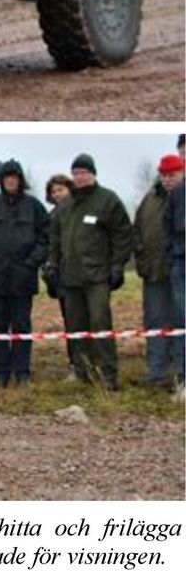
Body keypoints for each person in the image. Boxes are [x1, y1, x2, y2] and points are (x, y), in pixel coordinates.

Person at [47, 153, 132, 391]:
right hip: (70, 277)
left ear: (93, 174)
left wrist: (117, 265)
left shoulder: (107, 200)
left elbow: (123, 234)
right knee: (76, 327)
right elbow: (55, 239)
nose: (80, 177)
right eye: (76, 173)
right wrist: (52, 264)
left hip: (97, 277)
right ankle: (82, 371)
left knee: (99, 324)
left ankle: (107, 374)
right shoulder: (66, 206)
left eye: (84, 172)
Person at [0, 160, 49, 387]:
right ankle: (1, 373)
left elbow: (46, 237)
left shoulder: (34, 206)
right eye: (7, 177)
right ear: (1, 180)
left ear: (20, 179)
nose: (11, 180)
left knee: (22, 326)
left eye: (14, 176)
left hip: (23, 278)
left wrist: (32, 262)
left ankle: (22, 372)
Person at [133, 155, 184, 388]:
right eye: (163, 175)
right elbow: (137, 231)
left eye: (172, 174)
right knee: (154, 322)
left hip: (179, 271)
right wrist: (141, 258)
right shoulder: (150, 200)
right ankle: (156, 373)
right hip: (152, 272)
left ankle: (178, 373)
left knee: (179, 321)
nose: (167, 179)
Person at [43, 174, 80, 378]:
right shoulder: (51, 216)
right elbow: (49, 245)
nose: (57, 194)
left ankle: (94, 362)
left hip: (84, 273)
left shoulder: (80, 209)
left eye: (61, 189)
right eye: (54, 191)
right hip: (62, 275)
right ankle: (75, 363)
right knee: (70, 321)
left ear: (70, 189)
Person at [163, 152, 185, 393]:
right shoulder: (177, 195)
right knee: (181, 320)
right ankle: (183, 378)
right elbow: (167, 227)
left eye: (173, 174)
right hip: (179, 261)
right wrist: (171, 256)